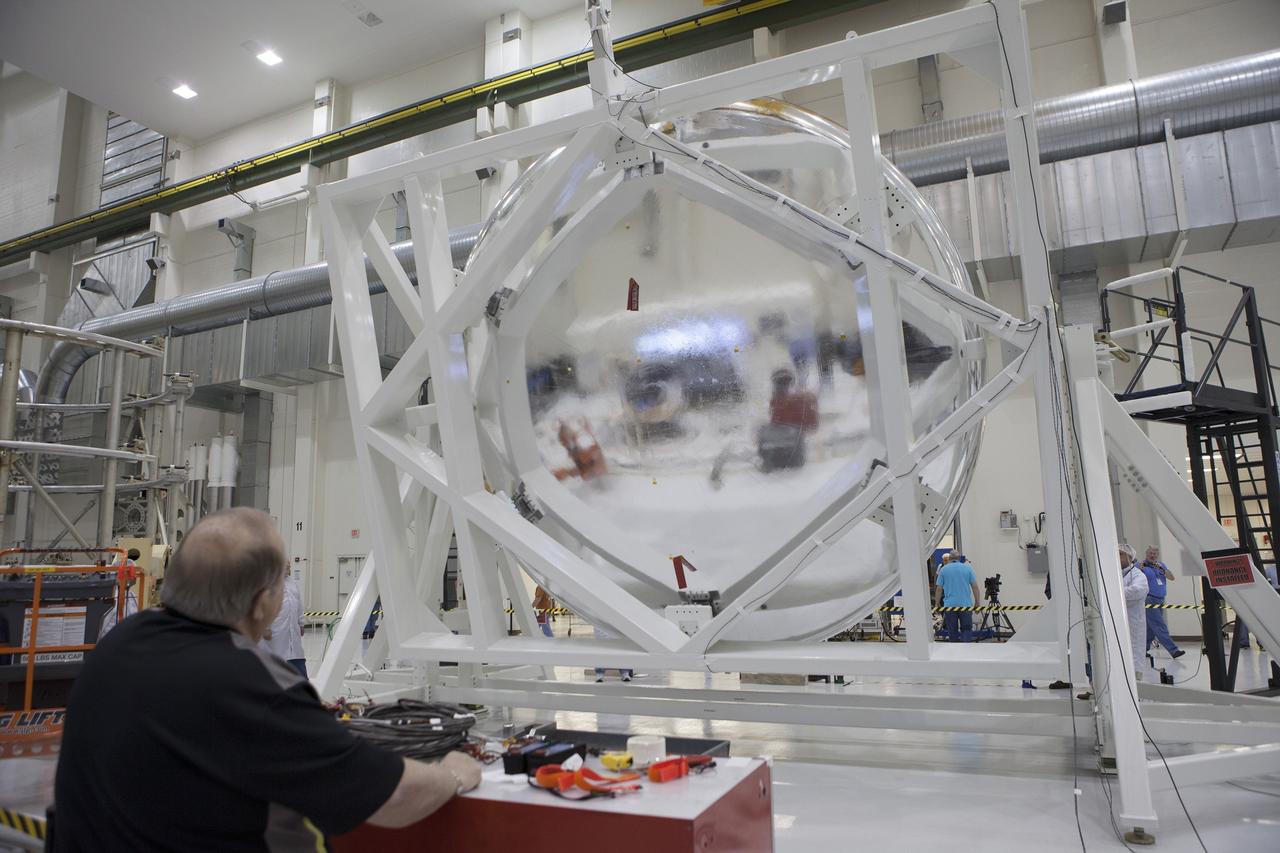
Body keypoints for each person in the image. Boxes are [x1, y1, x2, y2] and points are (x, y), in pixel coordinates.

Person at [54, 508, 481, 852]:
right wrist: (453, 774)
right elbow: (391, 798)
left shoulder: (116, 646)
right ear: (263, 603)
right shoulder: (251, 685)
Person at [260, 570, 307, 676]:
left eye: (289, 564)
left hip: (292, 633)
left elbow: (298, 604)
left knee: (297, 659)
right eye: (285, 564)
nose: (289, 567)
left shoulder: (293, 583)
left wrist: (301, 622)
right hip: (275, 633)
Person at [1140, 545, 1183, 660]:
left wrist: (1161, 569)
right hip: (1149, 599)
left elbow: (1172, 577)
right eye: (1150, 553)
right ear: (1146, 554)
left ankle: (1142, 650)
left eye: (1154, 553)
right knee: (1159, 625)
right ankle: (1173, 650)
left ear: (1157, 555)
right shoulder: (1141, 566)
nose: (1152, 555)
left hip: (1160, 599)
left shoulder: (1161, 566)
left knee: (1151, 627)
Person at [1119, 543, 1152, 681]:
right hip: (1117, 621)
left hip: (1133, 621)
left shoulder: (1137, 574)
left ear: (1130, 557)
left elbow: (1139, 590)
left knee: (1133, 651)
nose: (1117, 556)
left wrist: (1116, 593)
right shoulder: (1115, 574)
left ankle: (1135, 681)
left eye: (1121, 554)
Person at [934, 552, 979, 642]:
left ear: (950, 558)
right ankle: (966, 650)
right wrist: (977, 602)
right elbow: (975, 586)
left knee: (952, 630)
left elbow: (939, 589)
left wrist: (937, 603)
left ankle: (954, 653)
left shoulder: (943, 570)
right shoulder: (967, 568)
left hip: (950, 606)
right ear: (959, 558)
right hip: (965, 605)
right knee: (966, 629)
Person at [98, 548, 141, 639]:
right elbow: (102, 625)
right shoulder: (112, 595)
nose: (134, 578)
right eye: (132, 574)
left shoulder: (131, 595)